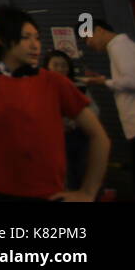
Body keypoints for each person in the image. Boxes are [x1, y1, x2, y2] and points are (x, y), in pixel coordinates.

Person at [0, 7, 108, 201]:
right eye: (26, 38)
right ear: (2, 40)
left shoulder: (55, 82)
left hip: (50, 193)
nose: (35, 45)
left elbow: (99, 137)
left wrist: (88, 192)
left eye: (37, 38)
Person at [79, 18, 135, 194]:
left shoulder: (119, 46)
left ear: (98, 30)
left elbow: (134, 81)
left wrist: (105, 82)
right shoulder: (120, 46)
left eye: (87, 38)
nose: (89, 44)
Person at [45, 50, 97, 192]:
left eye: (64, 65)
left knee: (82, 173)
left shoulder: (78, 86)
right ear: (47, 67)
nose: (60, 69)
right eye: (56, 65)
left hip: (79, 137)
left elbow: (94, 110)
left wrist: (75, 122)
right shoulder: (41, 88)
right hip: (53, 139)